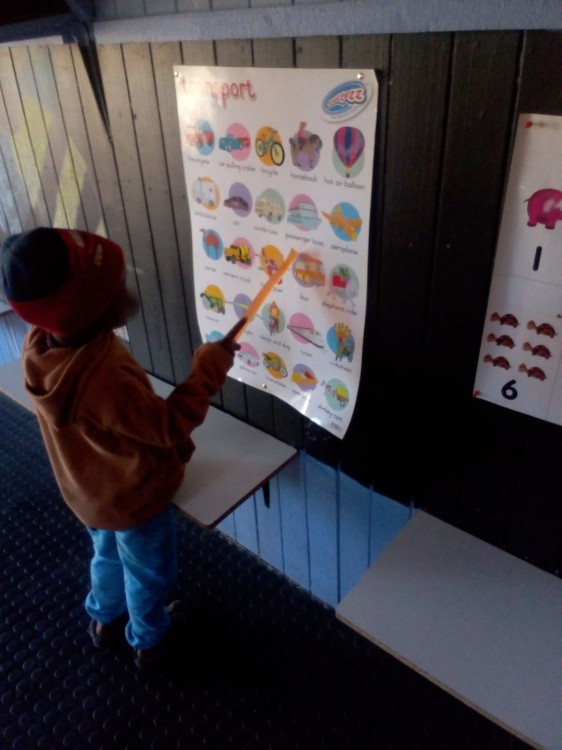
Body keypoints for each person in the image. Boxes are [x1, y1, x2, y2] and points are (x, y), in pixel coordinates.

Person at [0, 227, 244, 670]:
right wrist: (207, 370)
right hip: (133, 500)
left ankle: (103, 618)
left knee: (107, 556)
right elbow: (168, 426)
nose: (126, 289)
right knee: (149, 573)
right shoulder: (103, 379)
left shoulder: (41, 345)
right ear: (91, 309)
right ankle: (149, 641)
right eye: (114, 286)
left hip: (89, 493)